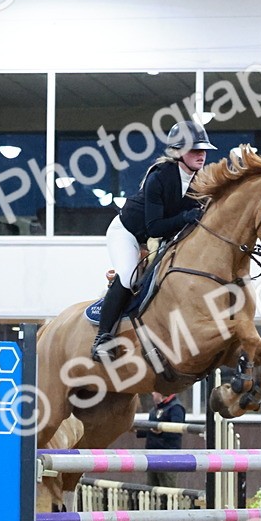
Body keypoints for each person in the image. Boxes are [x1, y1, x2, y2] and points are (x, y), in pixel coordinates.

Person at [91, 120, 217, 361]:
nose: (201, 155)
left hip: (158, 239)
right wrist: (186, 216)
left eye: (203, 150)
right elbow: (154, 226)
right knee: (128, 275)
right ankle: (102, 337)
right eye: (195, 150)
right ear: (178, 152)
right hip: (128, 233)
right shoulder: (159, 177)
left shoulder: (201, 181)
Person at [136, 391, 186, 490]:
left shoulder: (176, 408)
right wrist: (137, 429)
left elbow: (177, 431)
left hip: (168, 457)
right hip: (152, 456)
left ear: (162, 393)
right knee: (151, 489)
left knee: (168, 490)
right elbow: (151, 428)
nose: (152, 394)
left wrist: (161, 431)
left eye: (155, 392)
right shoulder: (155, 409)